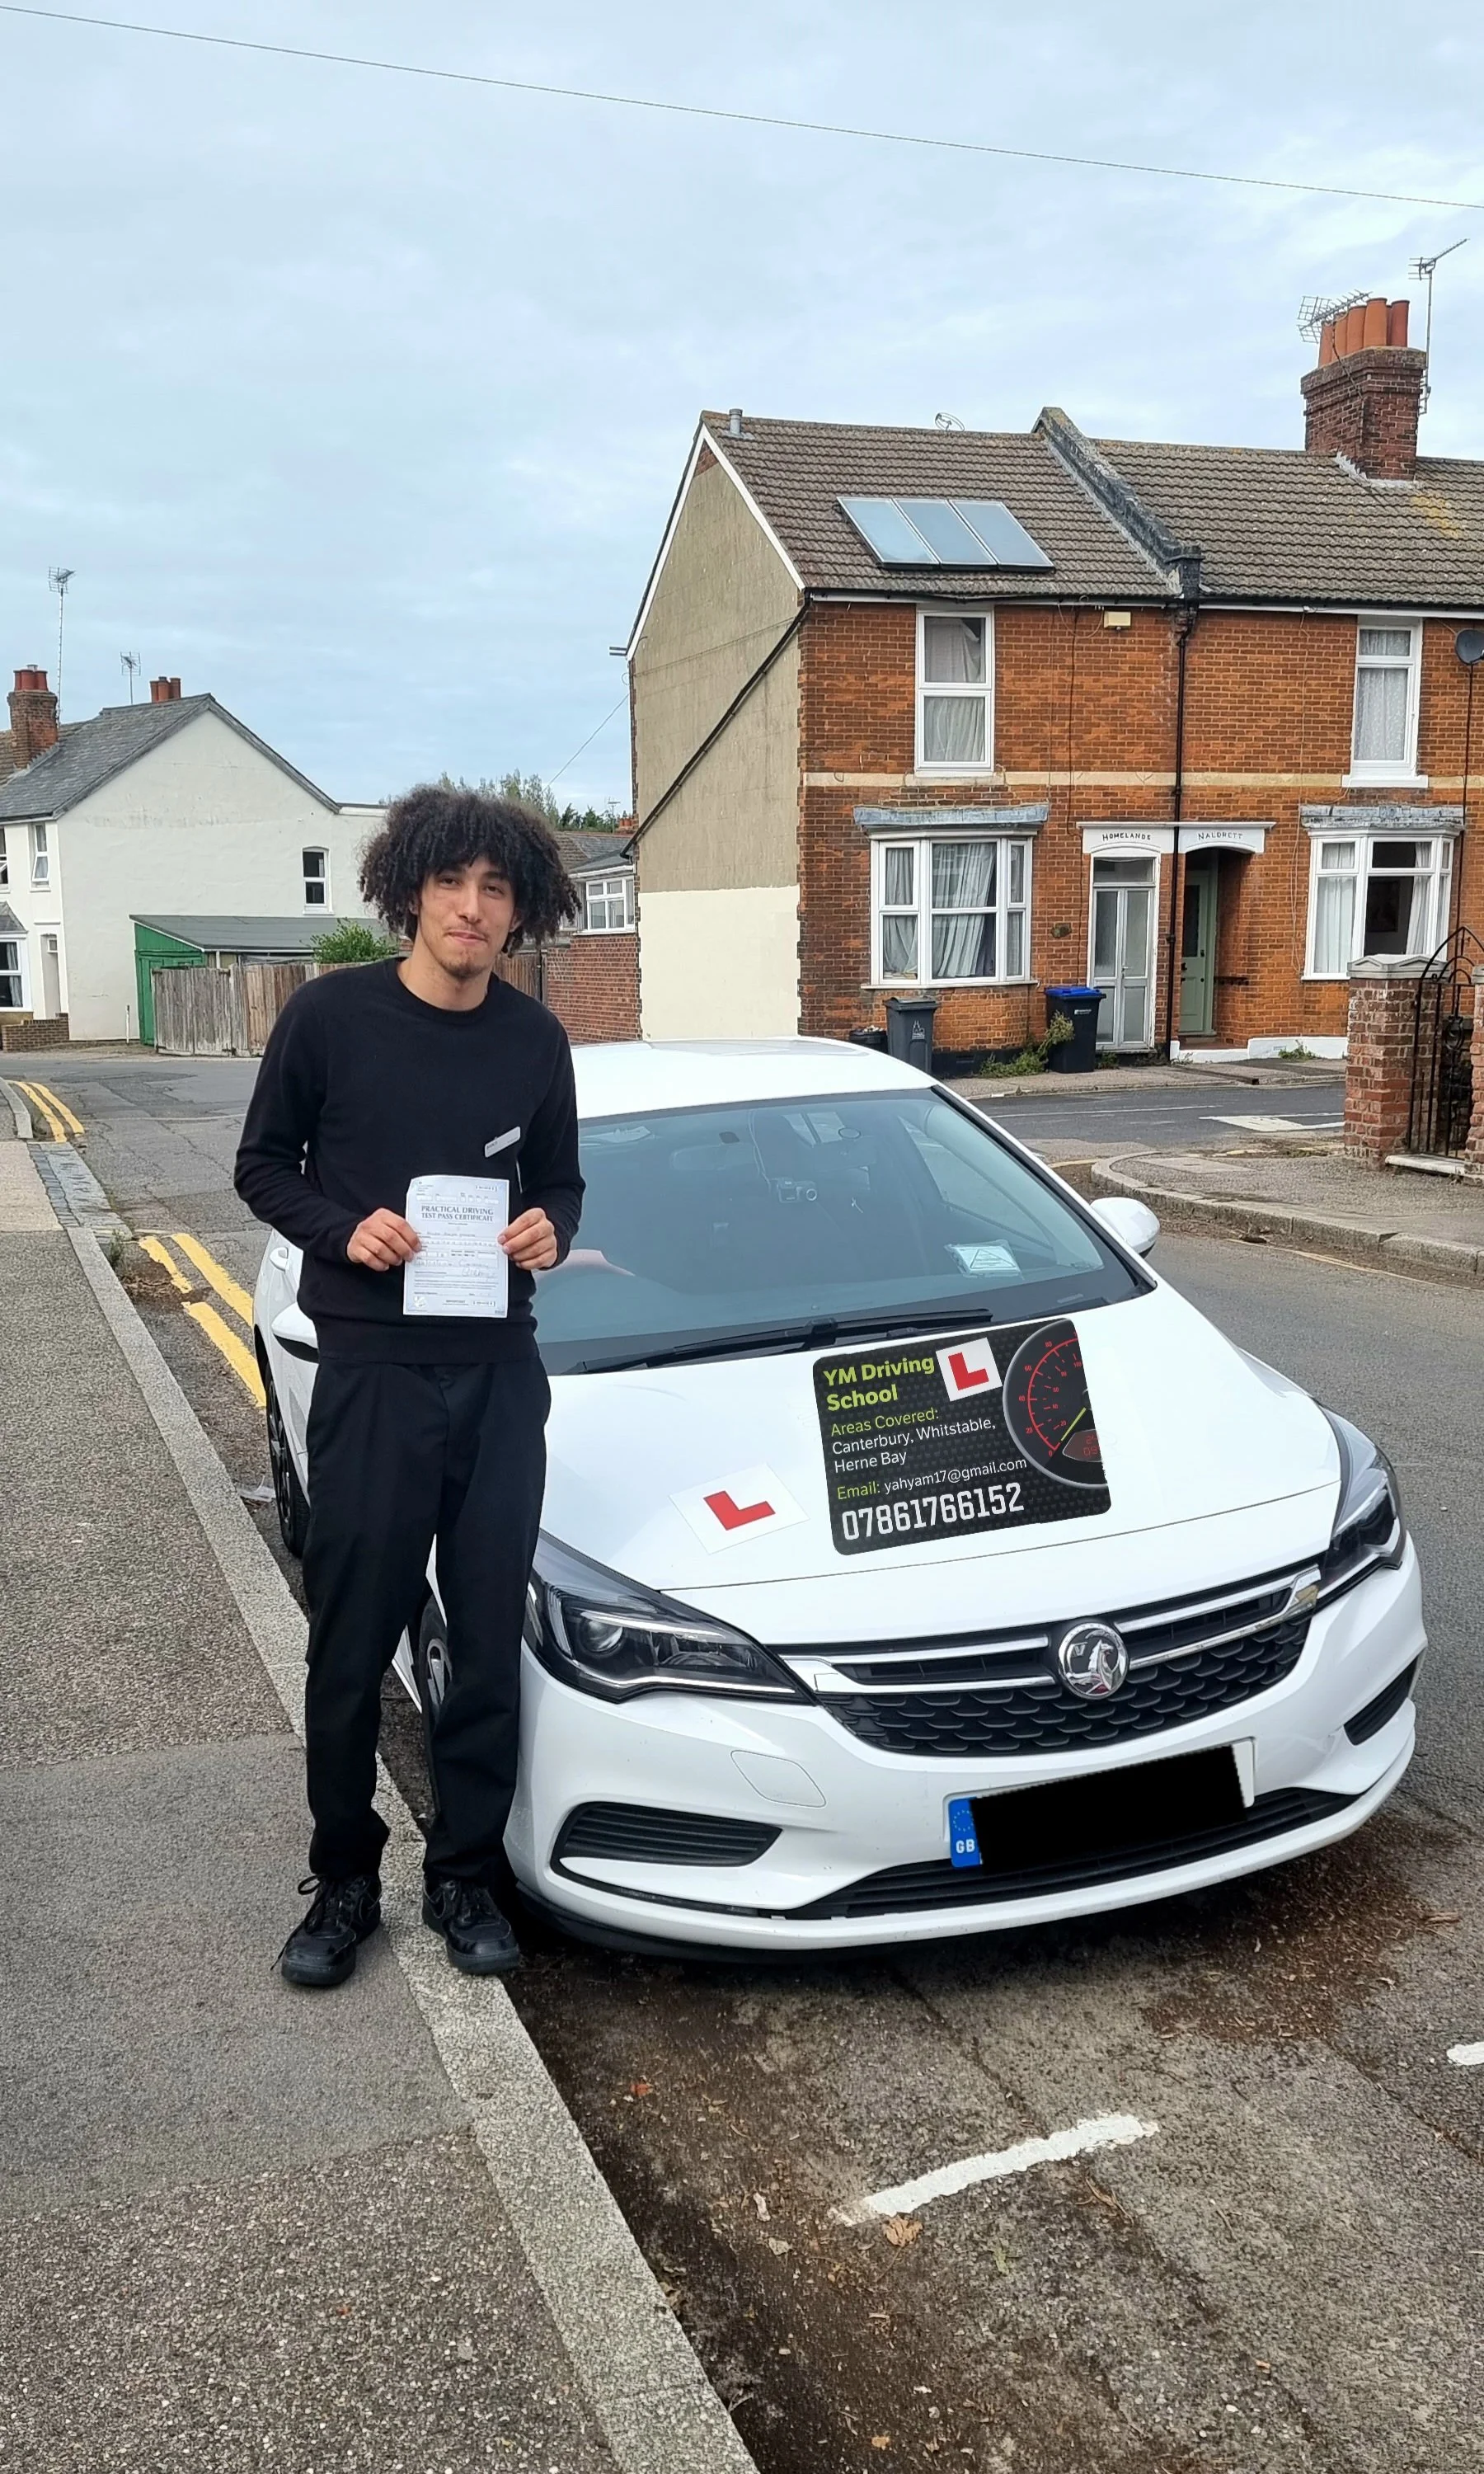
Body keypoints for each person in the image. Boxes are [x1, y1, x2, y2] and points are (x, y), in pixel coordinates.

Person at [235, 784, 583, 1989]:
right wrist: (343, 1234)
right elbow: (262, 1167)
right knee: (351, 1646)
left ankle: (465, 1878)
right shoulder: (330, 1019)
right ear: (411, 891)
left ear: (519, 909)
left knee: (485, 1647)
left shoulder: (535, 1041)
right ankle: (343, 1882)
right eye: (455, 884)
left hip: (497, 1377)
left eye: (498, 891)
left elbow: (565, 1184)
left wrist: (546, 1227)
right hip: (373, 1379)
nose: (473, 909)